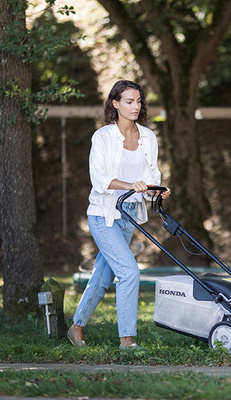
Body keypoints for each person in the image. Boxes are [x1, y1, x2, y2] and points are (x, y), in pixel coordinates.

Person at [68, 80, 170, 349]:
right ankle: (127, 340)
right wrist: (128, 185)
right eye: (129, 101)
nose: (136, 106)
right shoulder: (102, 137)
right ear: (115, 103)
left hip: (129, 215)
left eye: (138, 101)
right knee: (129, 272)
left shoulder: (148, 137)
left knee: (102, 277)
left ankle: (76, 328)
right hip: (103, 215)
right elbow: (98, 178)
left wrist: (155, 191)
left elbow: (150, 178)